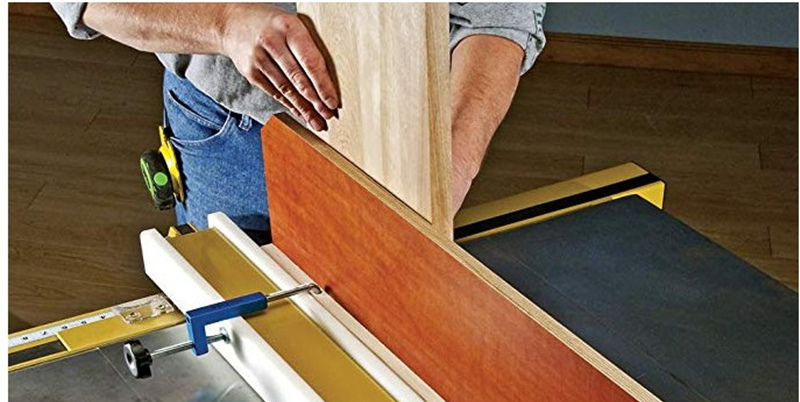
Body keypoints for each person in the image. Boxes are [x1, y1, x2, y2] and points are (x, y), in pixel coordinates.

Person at [52, 3, 546, 240]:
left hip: (396, 148)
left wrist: (449, 168)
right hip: (230, 134)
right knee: (237, 343)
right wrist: (224, 24)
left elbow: (498, 13)